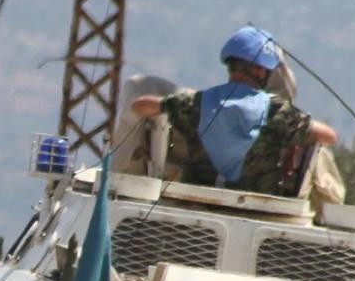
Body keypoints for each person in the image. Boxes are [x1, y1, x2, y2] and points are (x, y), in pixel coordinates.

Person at [128, 26, 338, 196]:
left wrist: (168, 104)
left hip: (195, 204)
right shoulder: (277, 112)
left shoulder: (196, 103)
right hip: (255, 211)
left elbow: (140, 106)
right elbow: (328, 136)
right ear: (258, 70)